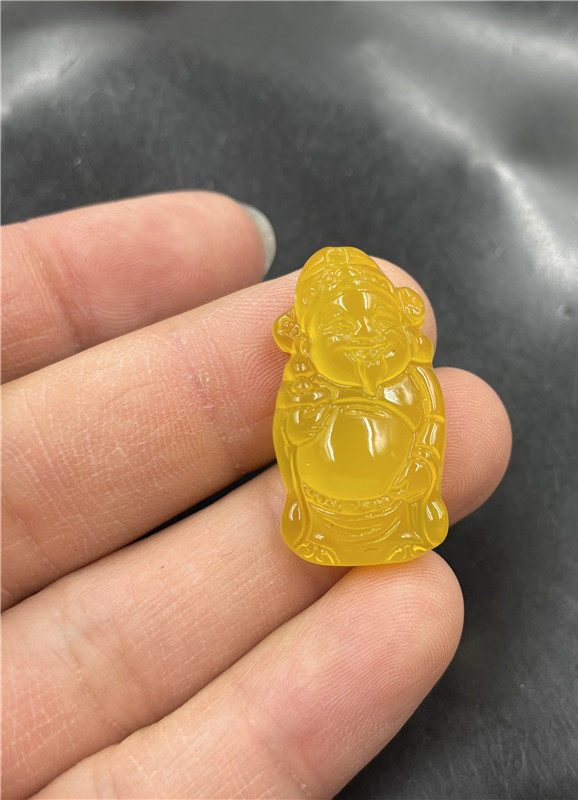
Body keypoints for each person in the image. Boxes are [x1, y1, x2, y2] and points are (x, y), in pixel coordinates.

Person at [1, 191, 511, 799]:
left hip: (396, 508)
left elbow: (428, 438)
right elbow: (293, 444)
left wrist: (414, 474)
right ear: (301, 337)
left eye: (376, 324)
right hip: (327, 511)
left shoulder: (414, 387)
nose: (364, 339)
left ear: (403, 321)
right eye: (342, 329)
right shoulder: (305, 388)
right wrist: (315, 432)